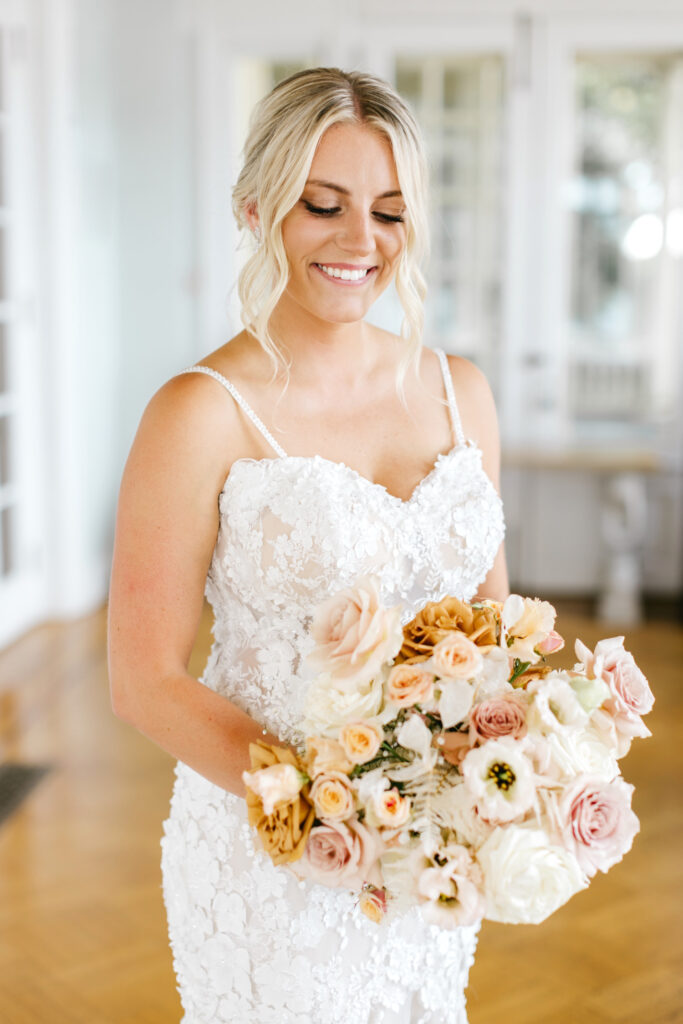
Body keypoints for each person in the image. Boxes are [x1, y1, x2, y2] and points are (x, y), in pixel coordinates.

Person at [108, 67, 508, 1024]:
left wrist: (513, 768)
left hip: (431, 848)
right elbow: (144, 680)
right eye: (321, 205)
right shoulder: (199, 414)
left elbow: (494, 625)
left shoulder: (463, 391)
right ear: (257, 208)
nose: (359, 242)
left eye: (389, 212)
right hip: (275, 852)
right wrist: (330, 800)